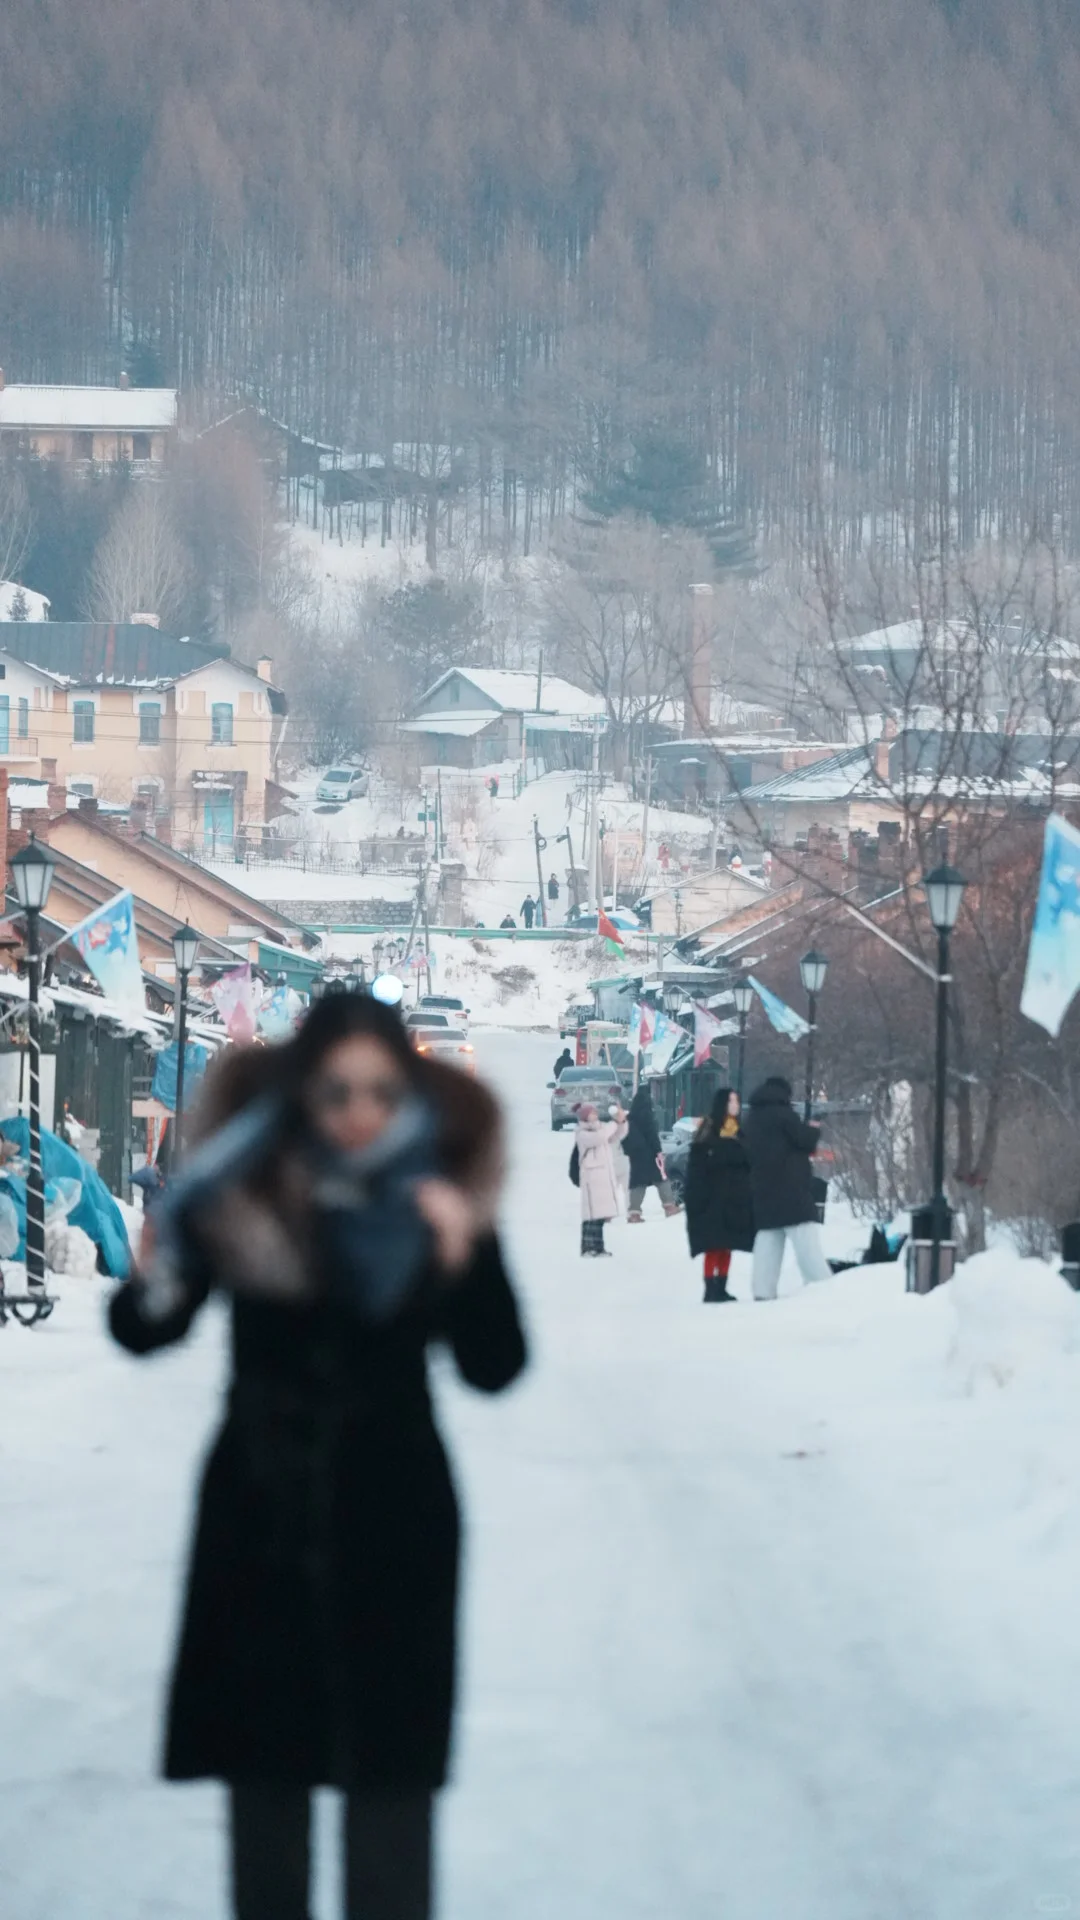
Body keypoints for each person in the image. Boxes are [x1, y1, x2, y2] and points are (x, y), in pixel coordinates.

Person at [108, 993, 526, 1920]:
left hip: (398, 1527)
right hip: (260, 1523)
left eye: (382, 1090)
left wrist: (465, 1253)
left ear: (408, 1093)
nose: (358, 1111)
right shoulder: (245, 1192)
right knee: (266, 1819)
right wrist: (159, 1266)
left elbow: (496, 1366)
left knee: (390, 1819)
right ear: (303, 1091)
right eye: (336, 1091)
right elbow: (144, 1330)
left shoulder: (437, 1197)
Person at [741, 1075, 831, 1299]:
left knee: (768, 1240)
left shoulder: (751, 1119)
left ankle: (763, 1291)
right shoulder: (784, 1115)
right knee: (806, 1242)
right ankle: (823, 1288)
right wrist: (814, 1127)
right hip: (792, 1191)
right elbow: (805, 1140)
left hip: (762, 1190)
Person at [683, 1088, 755, 1303]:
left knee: (727, 1244)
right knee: (714, 1245)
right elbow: (698, 1166)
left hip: (735, 1200)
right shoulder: (709, 1130)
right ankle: (710, 1288)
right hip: (712, 1198)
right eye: (731, 1101)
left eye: (737, 1101)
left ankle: (722, 1286)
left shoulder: (739, 1131)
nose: (736, 1105)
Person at [574, 1101, 628, 1256]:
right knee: (591, 1214)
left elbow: (617, 1134)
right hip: (591, 1177)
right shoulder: (582, 1133)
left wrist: (621, 1121)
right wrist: (615, 1122)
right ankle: (588, 1247)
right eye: (592, 1113)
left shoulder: (602, 1128)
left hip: (603, 1177)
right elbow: (600, 1137)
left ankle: (598, 1247)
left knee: (600, 1215)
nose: (596, 1114)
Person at [623, 1083, 681, 1222]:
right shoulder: (647, 1115)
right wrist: (658, 1151)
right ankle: (669, 1207)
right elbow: (652, 1136)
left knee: (638, 1184)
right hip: (649, 1155)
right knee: (661, 1179)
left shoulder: (631, 1117)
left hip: (635, 1155)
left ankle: (634, 1213)